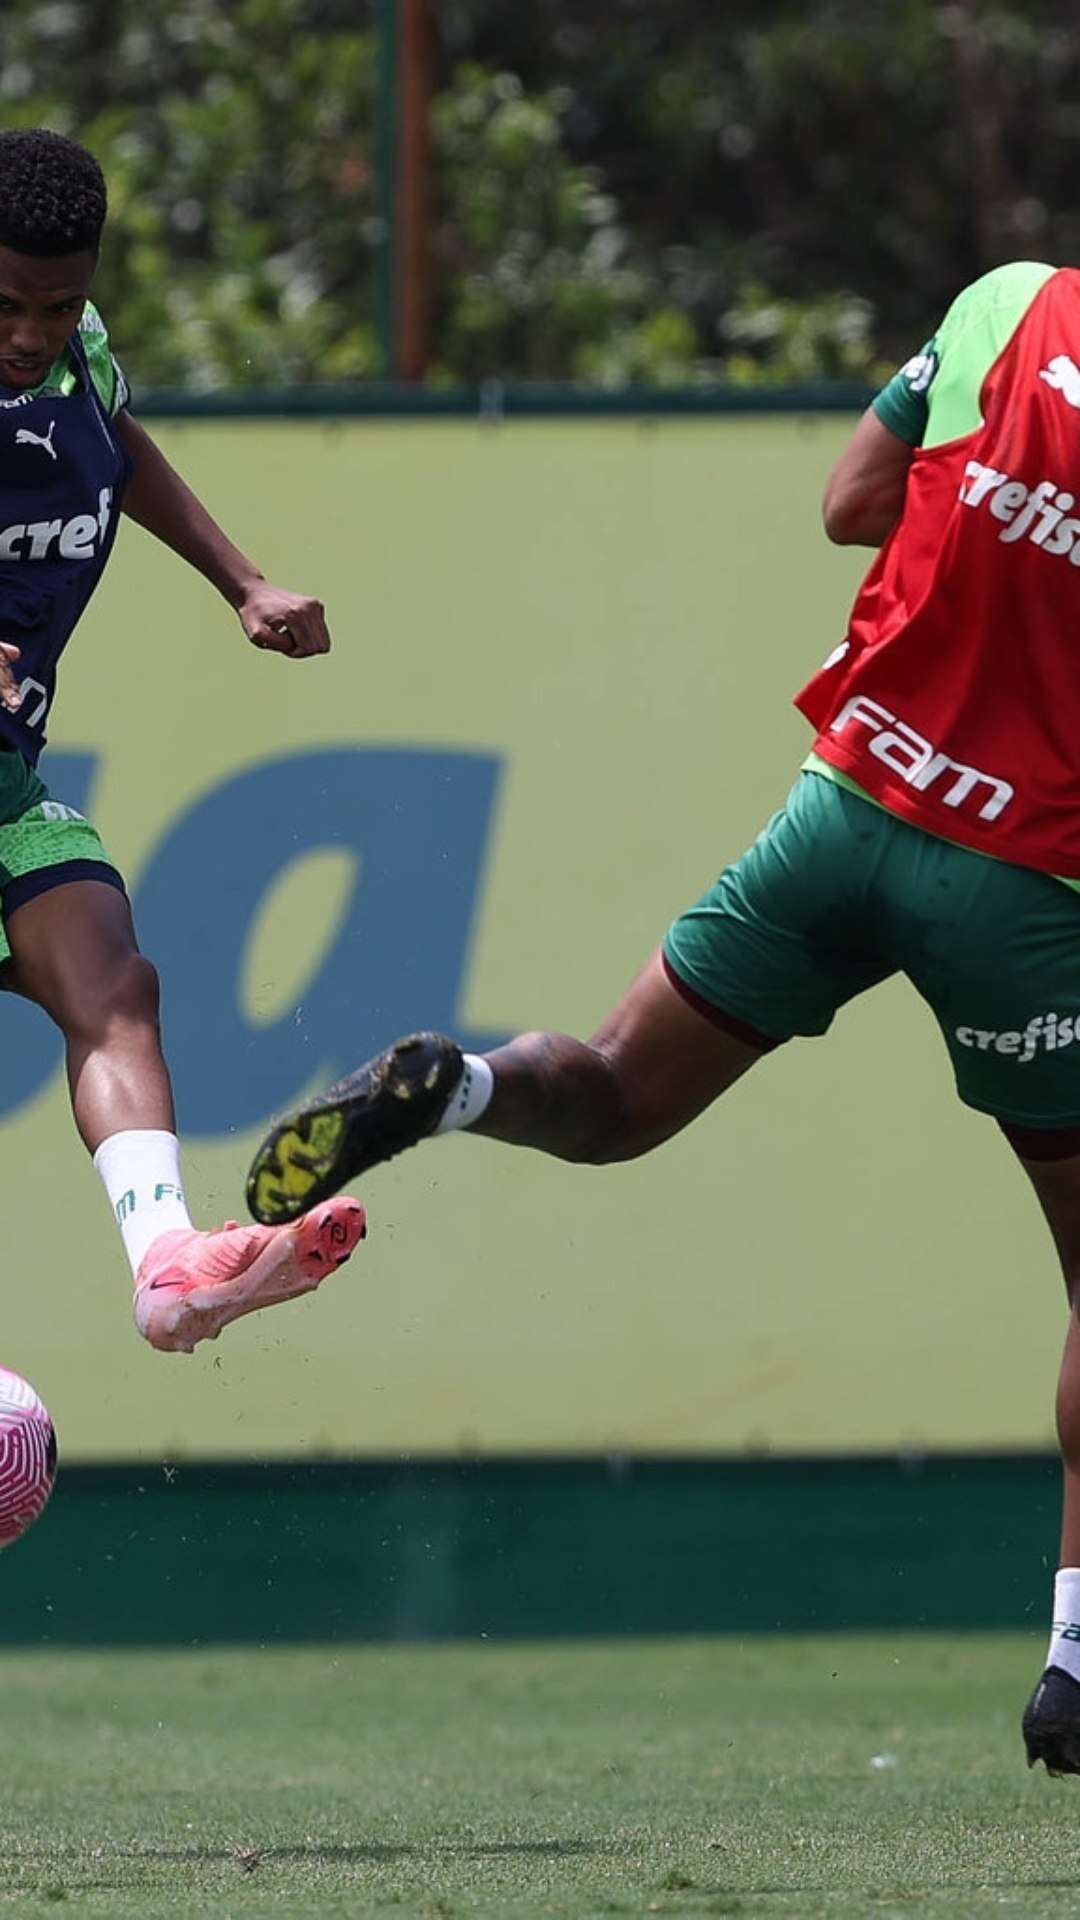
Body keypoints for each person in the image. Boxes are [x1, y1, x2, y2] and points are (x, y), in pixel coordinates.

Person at [248, 257, 1080, 1772]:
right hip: (1029, 884)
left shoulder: (1008, 301)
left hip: (846, 804)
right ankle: (1075, 1667)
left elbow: (848, 502)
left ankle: (461, 1087)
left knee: (620, 1095)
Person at [0, 127, 364, 1356]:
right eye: (4, 304)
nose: (31, 333)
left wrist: (241, 582)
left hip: (5, 785)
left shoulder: (74, 362)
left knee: (115, 986)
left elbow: (117, 441)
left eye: (59, 302)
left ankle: (167, 1266)